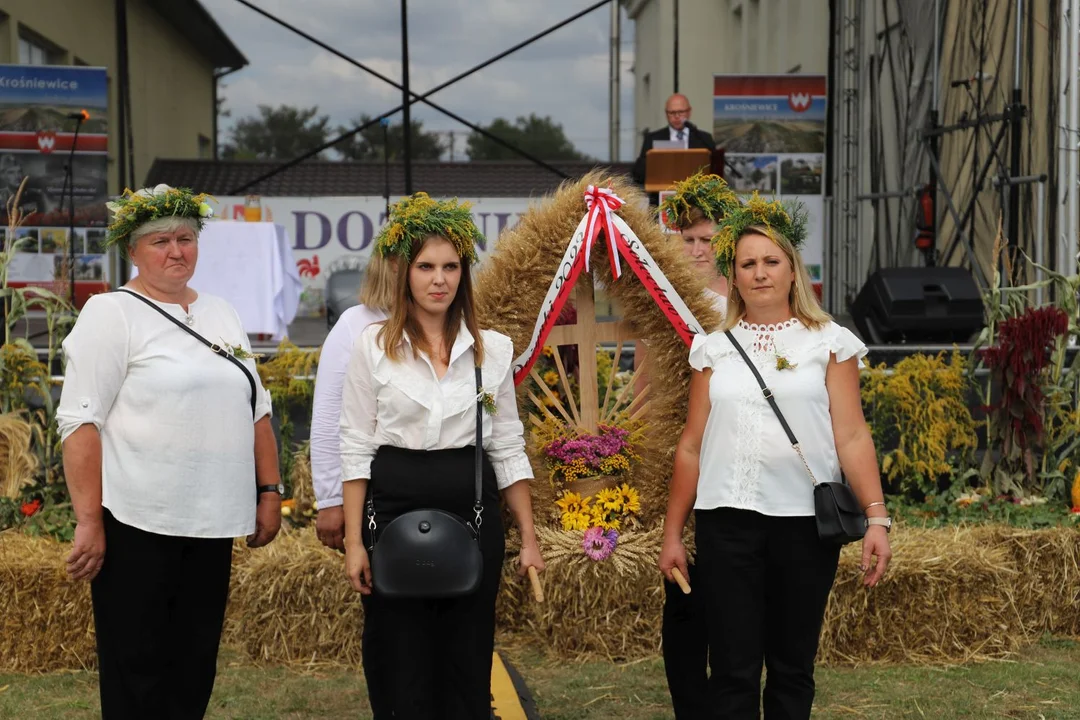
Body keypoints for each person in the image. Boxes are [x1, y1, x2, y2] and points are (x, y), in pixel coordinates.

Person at [658, 194, 893, 719]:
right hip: (725, 524)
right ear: (733, 278)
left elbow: (852, 435)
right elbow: (692, 444)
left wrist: (877, 518)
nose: (760, 273)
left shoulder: (831, 343)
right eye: (747, 264)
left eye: (771, 262)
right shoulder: (712, 349)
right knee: (732, 669)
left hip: (805, 527)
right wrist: (674, 534)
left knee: (792, 667)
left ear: (793, 271)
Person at [56, 184, 281, 718]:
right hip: (138, 522)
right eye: (160, 241)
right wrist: (89, 521)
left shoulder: (223, 312)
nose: (176, 251)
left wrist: (269, 491)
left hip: (211, 523)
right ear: (132, 250)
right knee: (138, 669)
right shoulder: (111, 313)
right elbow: (80, 420)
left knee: (194, 665)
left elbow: (257, 409)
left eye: (186, 238)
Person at [339, 192, 545, 718]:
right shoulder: (371, 346)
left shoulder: (492, 349)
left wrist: (528, 537)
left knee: (466, 663)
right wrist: (352, 542)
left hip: (471, 513)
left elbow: (507, 446)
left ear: (464, 273)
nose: (439, 279)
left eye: (451, 266)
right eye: (426, 266)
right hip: (390, 510)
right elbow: (356, 444)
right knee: (399, 663)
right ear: (404, 273)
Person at [634, 172, 739, 719]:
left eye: (707, 239)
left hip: (743, 470)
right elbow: (644, 384)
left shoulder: (754, 296)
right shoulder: (667, 303)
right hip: (685, 464)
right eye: (687, 239)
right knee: (684, 601)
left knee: (737, 607)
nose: (697, 250)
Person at [310, 254, 396, 552]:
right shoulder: (355, 323)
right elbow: (328, 414)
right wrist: (331, 499)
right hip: (374, 489)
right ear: (391, 264)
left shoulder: (453, 321)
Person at [632, 93, 717, 203]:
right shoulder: (652, 138)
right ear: (666, 114)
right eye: (672, 113)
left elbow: (714, 171)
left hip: (697, 201)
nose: (677, 116)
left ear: (689, 112)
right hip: (661, 200)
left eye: (681, 112)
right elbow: (638, 175)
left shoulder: (703, 139)